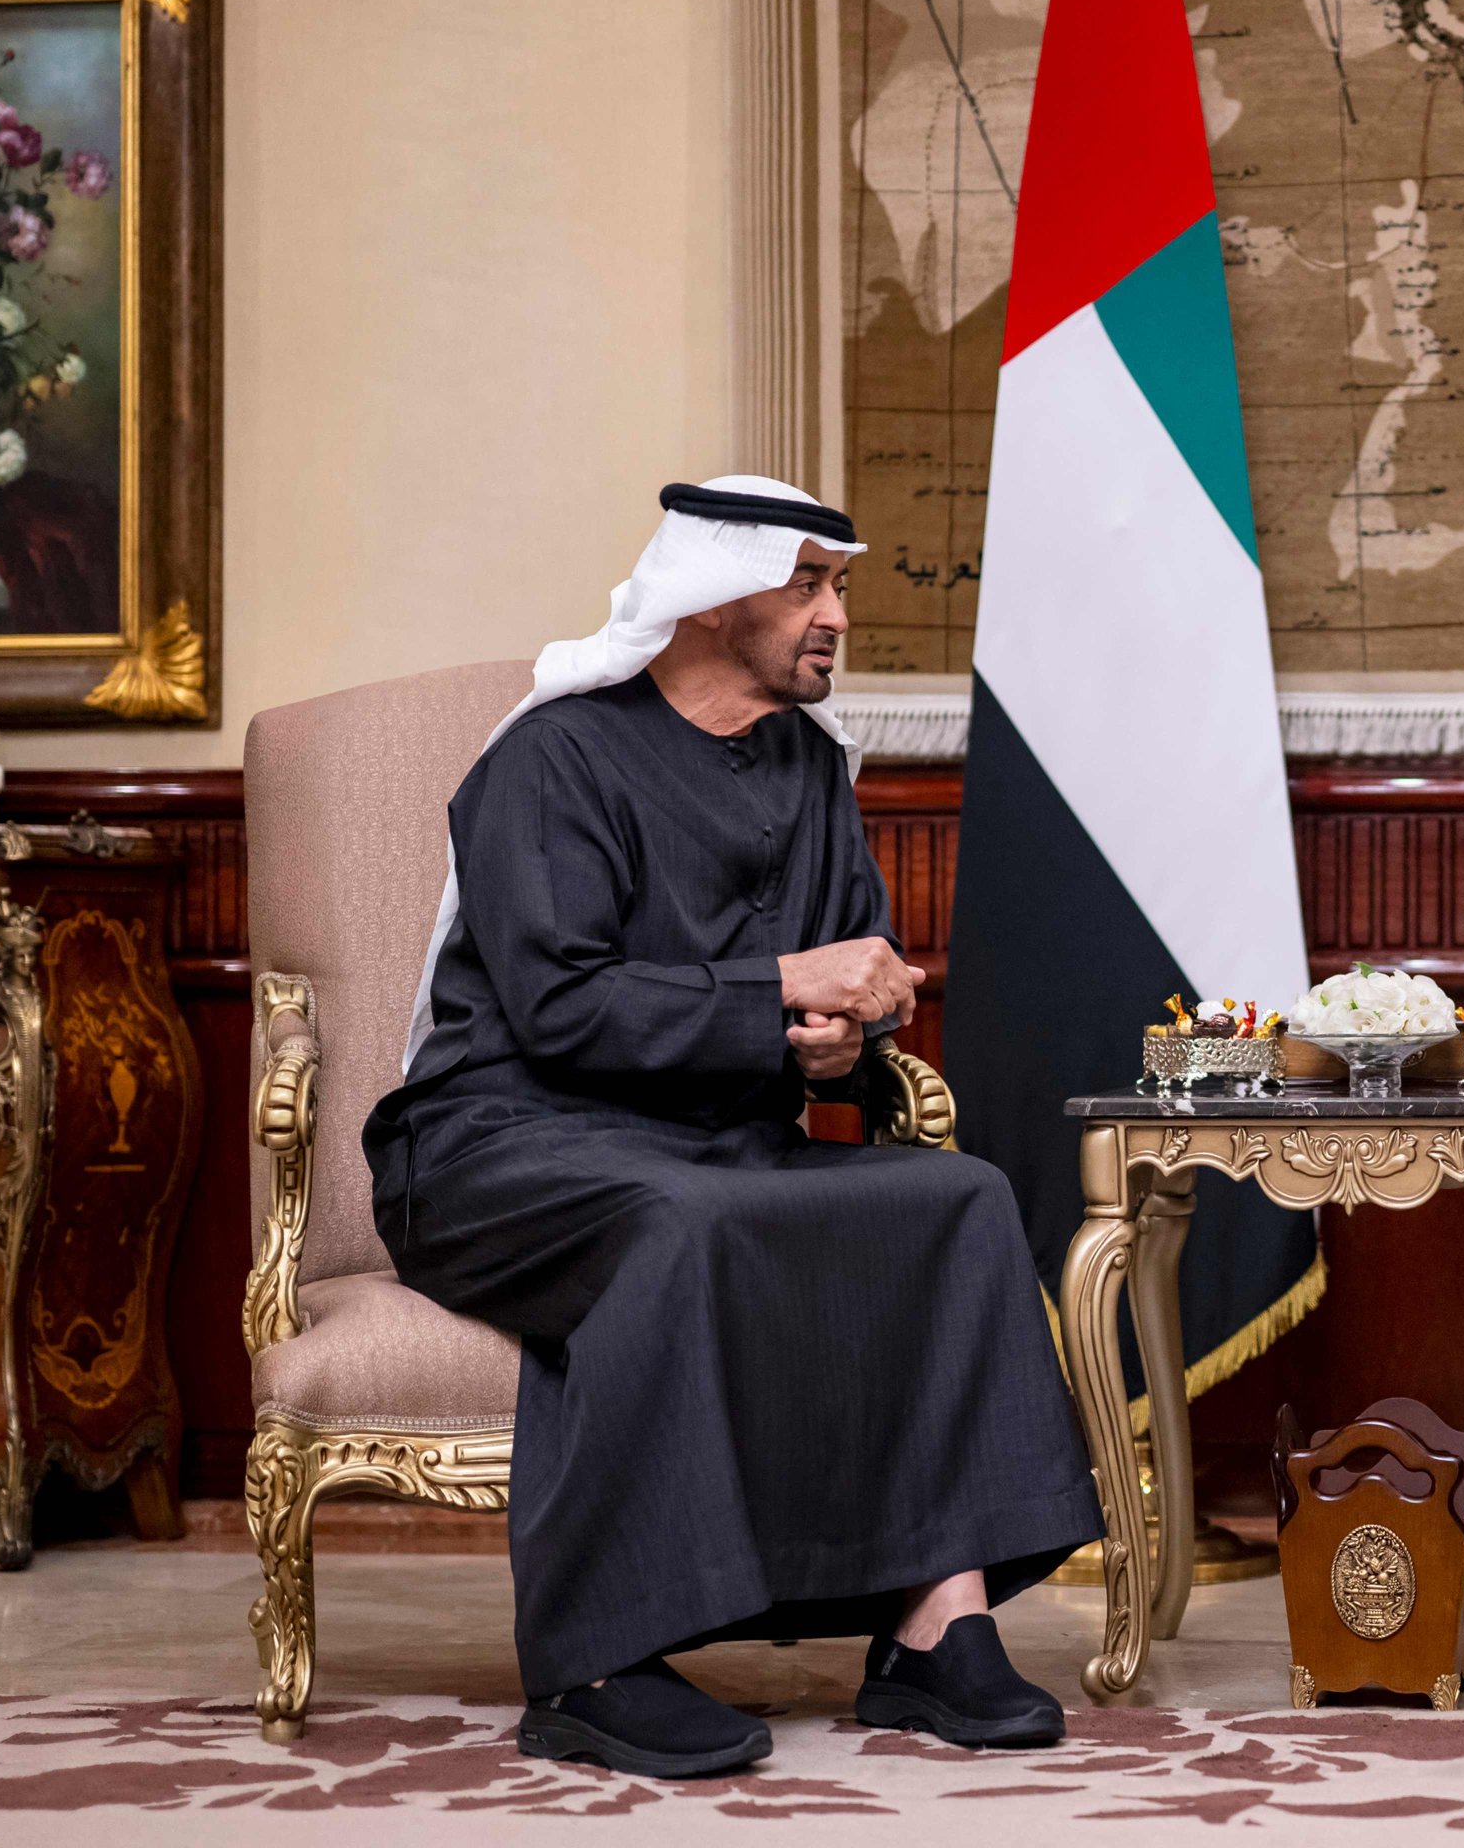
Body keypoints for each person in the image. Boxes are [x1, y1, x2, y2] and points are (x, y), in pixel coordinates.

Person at [365, 477, 1103, 1780]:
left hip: (714, 1145)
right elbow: (558, 1010)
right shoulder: (552, 760)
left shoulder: (811, 768)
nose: (837, 617)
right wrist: (780, 991)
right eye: (809, 584)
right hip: (499, 1146)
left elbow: (843, 980)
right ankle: (596, 1664)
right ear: (712, 599)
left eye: (840, 588)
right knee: (682, 1221)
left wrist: (836, 1042)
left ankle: (937, 1627)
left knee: (960, 1198)